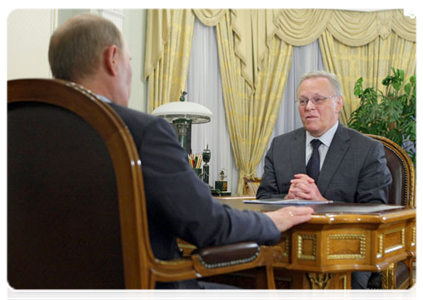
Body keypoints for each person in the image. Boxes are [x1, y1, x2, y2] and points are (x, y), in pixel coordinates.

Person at [48, 14, 314, 300]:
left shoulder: (22, 131)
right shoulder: (143, 133)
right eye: (129, 61)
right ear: (112, 59)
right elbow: (206, 225)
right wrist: (271, 222)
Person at [256, 70, 392, 299]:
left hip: (345, 250)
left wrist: (324, 203)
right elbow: (263, 199)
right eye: (303, 101)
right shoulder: (280, 146)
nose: (308, 107)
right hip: (285, 246)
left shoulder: (367, 150)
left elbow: (375, 210)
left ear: (338, 103)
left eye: (317, 99)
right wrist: (286, 200)